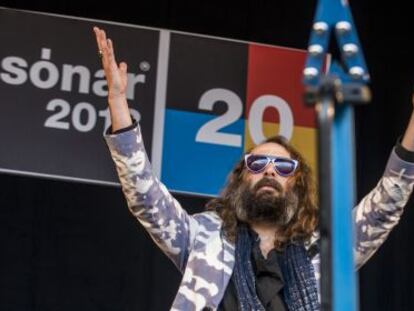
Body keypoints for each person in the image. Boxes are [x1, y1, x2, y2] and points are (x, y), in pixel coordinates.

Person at [93, 26, 414, 311]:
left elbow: (385, 206)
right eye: (258, 163)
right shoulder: (205, 235)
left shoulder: (325, 251)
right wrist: (119, 102)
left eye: (283, 166)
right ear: (241, 180)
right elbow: (145, 198)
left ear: (297, 184)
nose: (270, 171)